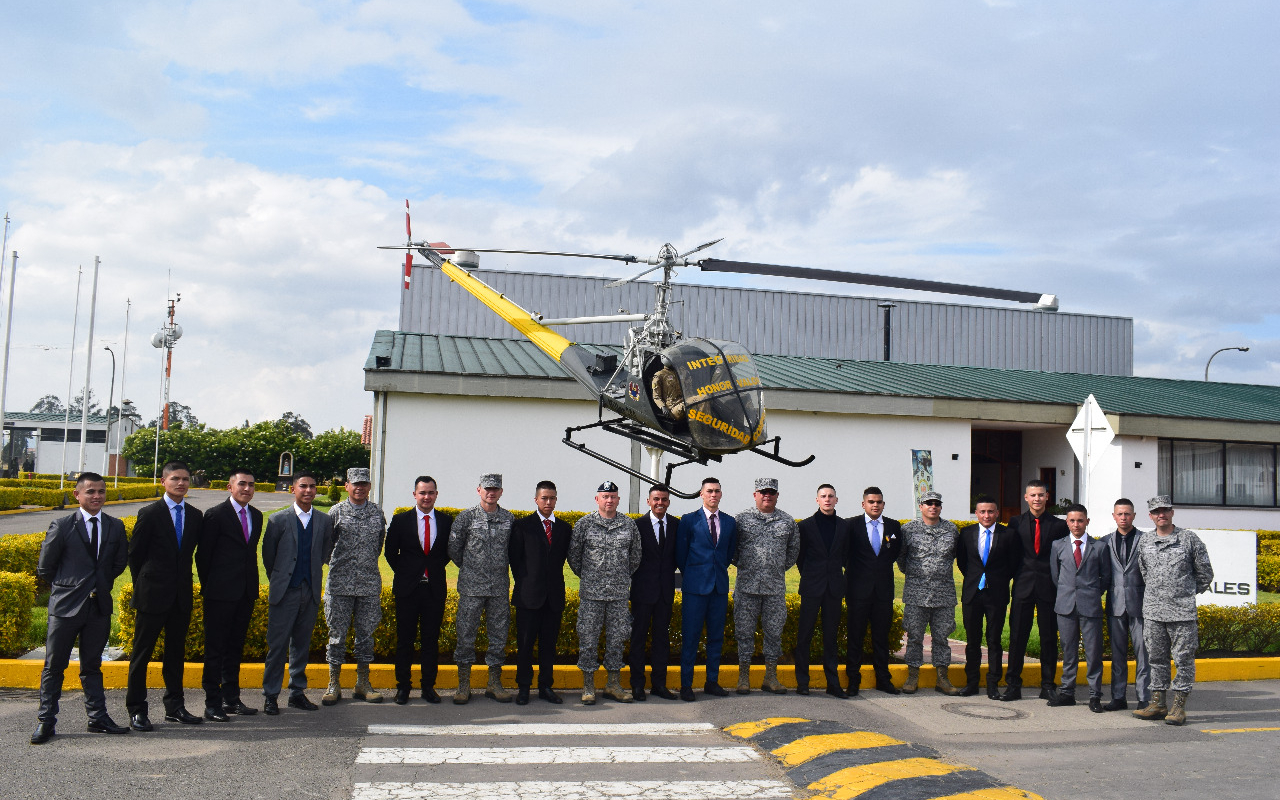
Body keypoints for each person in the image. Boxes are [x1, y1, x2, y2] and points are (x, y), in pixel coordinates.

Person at [31, 472, 129, 744]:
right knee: (54, 666)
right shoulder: (62, 526)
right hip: (65, 608)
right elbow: (45, 568)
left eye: (101, 491)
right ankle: (46, 721)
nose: (96, 496)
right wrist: (73, 587)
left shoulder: (115, 526)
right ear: (77, 495)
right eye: (90, 492)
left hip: (98, 607)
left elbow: (119, 563)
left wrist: (98, 584)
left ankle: (97, 718)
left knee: (93, 666)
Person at [126, 460, 204, 731]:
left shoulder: (195, 515)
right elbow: (135, 555)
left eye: (185, 479)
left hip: (180, 595)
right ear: (163, 481)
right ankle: (137, 709)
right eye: (175, 479)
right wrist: (146, 584)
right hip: (152, 595)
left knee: (175, 654)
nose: (181, 483)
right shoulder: (150, 513)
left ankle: (175, 707)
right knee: (141, 654)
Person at [1133, 496, 1213, 726]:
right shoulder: (1145, 541)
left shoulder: (1189, 539)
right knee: (1156, 659)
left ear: (1172, 512)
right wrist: (1160, 594)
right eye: (1156, 512)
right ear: (1150, 516)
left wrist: (1184, 594)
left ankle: (1179, 706)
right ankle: (1158, 703)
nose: (1161, 515)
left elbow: (1205, 573)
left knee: (1183, 659)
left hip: (1182, 613)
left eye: (1165, 510)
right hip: (1154, 611)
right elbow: (1144, 571)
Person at [261, 472, 335, 714]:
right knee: (277, 645)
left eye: (313, 486)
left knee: (301, 645)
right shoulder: (278, 520)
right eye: (303, 486)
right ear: (294, 489)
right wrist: (281, 579)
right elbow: (268, 556)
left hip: (310, 590)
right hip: (285, 591)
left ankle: (297, 693)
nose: (308, 491)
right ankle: (271, 695)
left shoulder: (324, 521)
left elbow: (325, 552)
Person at [195, 468, 263, 721]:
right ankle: (212, 703)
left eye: (251, 485)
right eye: (242, 484)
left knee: (235, 648)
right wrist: (212, 586)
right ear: (230, 487)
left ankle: (231, 699)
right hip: (219, 594)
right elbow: (203, 557)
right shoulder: (215, 515)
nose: (247, 489)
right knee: (215, 650)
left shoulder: (256, 515)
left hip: (245, 593)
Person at [569, 480, 643, 704]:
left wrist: (618, 577)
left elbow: (635, 557)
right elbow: (574, 557)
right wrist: (592, 577)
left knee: (617, 638)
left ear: (618, 500)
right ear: (597, 499)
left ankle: (613, 684)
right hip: (592, 594)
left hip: (619, 594)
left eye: (613, 497)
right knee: (588, 639)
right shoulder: (584, 525)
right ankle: (588, 686)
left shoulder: (629, 525)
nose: (609, 500)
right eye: (605, 496)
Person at [384, 476, 453, 705]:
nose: (426, 497)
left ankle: (428, 687)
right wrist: (408, 573)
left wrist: (429, 570)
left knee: (430, 641)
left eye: (431, 492)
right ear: (414, 494)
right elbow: (391, 553)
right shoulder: (401, 520)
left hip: (434, 590)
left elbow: (447, 554)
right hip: (407, 590)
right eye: (422, 493)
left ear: (436, 494)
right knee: (405, 640)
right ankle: (403, 687)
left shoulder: (446, 521)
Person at [322, 467, 388, 705]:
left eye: (364, 484)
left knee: (366, 637)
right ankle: (333, 684)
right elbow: (326, 546)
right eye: (355, 484)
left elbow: (379, 544)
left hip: (368, 584)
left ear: (369, 487)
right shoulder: (336, 512)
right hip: (339, 584)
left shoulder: (377, 513)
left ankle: (363, 683)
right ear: (347, 486)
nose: (360, 488)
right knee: (337, 637)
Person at [450, 473, 516, 704]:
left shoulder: (509, 519)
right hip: (471, 588)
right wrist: (472, 569)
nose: (491, 492)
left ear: (501, 492)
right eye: (487, 488)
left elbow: (513, 551)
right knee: (466, 635)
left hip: (498, 588)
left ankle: (494, 683)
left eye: (495, 489)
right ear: (479, 490)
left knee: (498, 636)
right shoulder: (465, 518)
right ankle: (463, 684)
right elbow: (454, 550)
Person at [1002, 479, 1069, 701]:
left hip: (1049, 588)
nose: (1037, 499)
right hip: (1022, 587)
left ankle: (1048, 685)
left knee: (1048, 638)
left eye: (1041, 495)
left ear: (1047, 497)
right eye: (1033, 495)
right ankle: (1013, 685)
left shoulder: (1059, 525)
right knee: (1017, 637)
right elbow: (1010, 555)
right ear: (1026, 498)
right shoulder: (1015, 523)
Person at [732, 478, 800, 695]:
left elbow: (793, 552)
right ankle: (744, 677)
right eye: (763, 492)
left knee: (773, 633)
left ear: (777, 495)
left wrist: (776, 568)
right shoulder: (741, 520)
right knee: (744, 633)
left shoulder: (787, 522)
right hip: (746, 588)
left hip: (774, 589)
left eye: (771, 492)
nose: (767, 496)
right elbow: (732, 551)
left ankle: (771, 677)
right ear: (755, 495)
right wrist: (746, 566)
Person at [509, 480, 572, 705]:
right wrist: (528, 583)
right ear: (536, 499)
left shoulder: (564, 528)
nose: (548, 502)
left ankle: (546, 686)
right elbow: (515, 561)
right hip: (528, 596)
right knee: (525, 645)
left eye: (552, 498)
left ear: (556, 500)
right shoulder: (522, 526)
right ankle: (524, 687)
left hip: (553, 597)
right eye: (544, 498)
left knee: (549, 645)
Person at [675, 477, 737, 701]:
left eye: (717, 491)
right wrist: (695, 574)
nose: (713, 495)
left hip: (719, 589)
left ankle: (712, 681)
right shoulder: (689, 520)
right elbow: (681, 555)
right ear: (701, 494)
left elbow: (728, 553)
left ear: (721, 495)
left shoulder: (730, 522)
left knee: (715, 638)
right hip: (694, 589)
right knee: (690, 638)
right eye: (709, 491)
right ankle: (686, 685)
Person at [897, 490, 961, 695]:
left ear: (940, 507)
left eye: (936, 504)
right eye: (928, 503)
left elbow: (955, 556)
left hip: (944, 594)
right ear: (921, 506)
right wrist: (917, 576)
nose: (933, 507)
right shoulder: (908, 529)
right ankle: (912, 675)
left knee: (942, 637)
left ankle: (942, 678)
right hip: (916, 594)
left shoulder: (951, 529)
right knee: (915, 636)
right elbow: (901, 559)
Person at [1048, 504, 1111, 711]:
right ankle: (1067, 692)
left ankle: (1095, 695)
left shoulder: (1099, 547)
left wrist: (1090, 593)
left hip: (1090, 605)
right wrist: (1069, 593)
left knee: (1093, 652)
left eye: (1080, 520)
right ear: (1067, 522)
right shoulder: (1058, 545)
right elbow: (1056, 576)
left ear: (1087, 522)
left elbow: (1105, 577)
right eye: (1072, 520)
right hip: (1065, 606)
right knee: (1068, 650)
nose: (1076, 524)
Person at [955, 495, 1016, 698]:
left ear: (997, 513)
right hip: (972, 594)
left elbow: (1012, 564)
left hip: (996, 594)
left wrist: (996, 580)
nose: (987, 515)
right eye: (983, 511)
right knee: (972, 641)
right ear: (976, 514)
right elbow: (963, 563)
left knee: (994, 641)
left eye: (991, 511)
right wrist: (976, 578)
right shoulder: (966, 534)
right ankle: (972, 683)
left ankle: (992, 684)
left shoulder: (1008, 534)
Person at [845, 486, 902, 695]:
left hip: (883, 593)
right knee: (855, 637)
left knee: (881, 638)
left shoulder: (894, 527)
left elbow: (893, 554)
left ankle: (883, 680)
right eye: (871, 502)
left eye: (878, 502)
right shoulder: (851, 525)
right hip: (857, 591)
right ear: (863, 504)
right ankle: (853, 680)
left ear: (883, 504)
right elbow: (844, 555)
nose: (875, 505)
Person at [794, 484, 847, 697]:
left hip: (834, 587)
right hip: (811, 586)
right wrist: (810, 574)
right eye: (823, 496)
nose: (827, 499)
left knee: (831, 638)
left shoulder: (844, 527)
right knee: (804, 636)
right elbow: (799, 556)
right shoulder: (805, 526)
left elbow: (845, 555)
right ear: (817, 500)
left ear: (836, 500)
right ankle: (802, 683)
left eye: (831, 496)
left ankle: (833, 684)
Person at [629, 484, 680, 701]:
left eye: (664, 499)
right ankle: (637, 685)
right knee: (638, 639)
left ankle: (659, 684)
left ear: (669, 502)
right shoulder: (637, 525)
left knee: (661, 640)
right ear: (648, 501)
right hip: (642, 592)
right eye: (656, 499)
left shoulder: (677, 525)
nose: (660, 503)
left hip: (665, 593)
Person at [1100, 498, 1149, 711]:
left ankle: (1144, 697)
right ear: (1113, 516)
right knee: (1117, 654)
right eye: (1119, 514)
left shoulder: (1146, 540)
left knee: (1143, 654)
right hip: (1115, 605)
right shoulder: (1104, 542)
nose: (1123, 517)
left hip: (1140, 605)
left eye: (1127, 514)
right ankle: (1118, 697)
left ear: (1134, 516)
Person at [651, 355, 686, 421]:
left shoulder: (682, 371)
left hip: (685, 400)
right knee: (687, 406)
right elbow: (656, 396)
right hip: (673, 407)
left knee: (703, 398)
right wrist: (663, 407)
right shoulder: (659, 375)